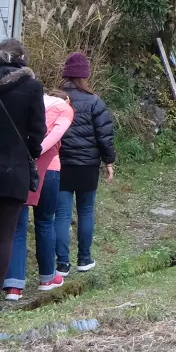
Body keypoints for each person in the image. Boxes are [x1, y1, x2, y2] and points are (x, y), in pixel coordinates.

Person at [0, 39, 47, 313]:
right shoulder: (32, 87)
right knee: (4, 235)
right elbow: (38, 130)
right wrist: (31, 151)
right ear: (22, 58)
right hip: (14, 168)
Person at [5, 88, 74, 299]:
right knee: (45, 222)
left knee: (18, 226)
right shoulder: (64, 109)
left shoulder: (24, 101)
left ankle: (14, 286)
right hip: (50, 170)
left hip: (21, 169)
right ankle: (47, 277)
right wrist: (37, 150)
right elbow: (55, 135)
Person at [56, 52, 116, 272]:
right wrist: (109, 161)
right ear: (84, 76)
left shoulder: (56, 99)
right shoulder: (94, 101)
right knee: (86, 211)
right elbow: (105, 136)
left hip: (61, 165)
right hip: (88, 166)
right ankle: (84, 258)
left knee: (61, 214)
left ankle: (62, 263)